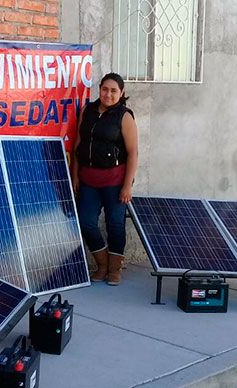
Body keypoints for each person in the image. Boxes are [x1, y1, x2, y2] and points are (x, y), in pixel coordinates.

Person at [71, 73, 138, 286]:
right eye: (105, 89)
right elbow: (77, 145)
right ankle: (102, 264)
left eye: (113, 91)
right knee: (86, 221)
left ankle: (114, 269)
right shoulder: (87, 111)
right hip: (89, 180)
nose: (108, 94)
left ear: (122, 93)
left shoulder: (124, 116)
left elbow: (133, 152)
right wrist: (74, 175)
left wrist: (127, 185)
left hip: (115, 181)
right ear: (99, 89)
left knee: (115, 224)